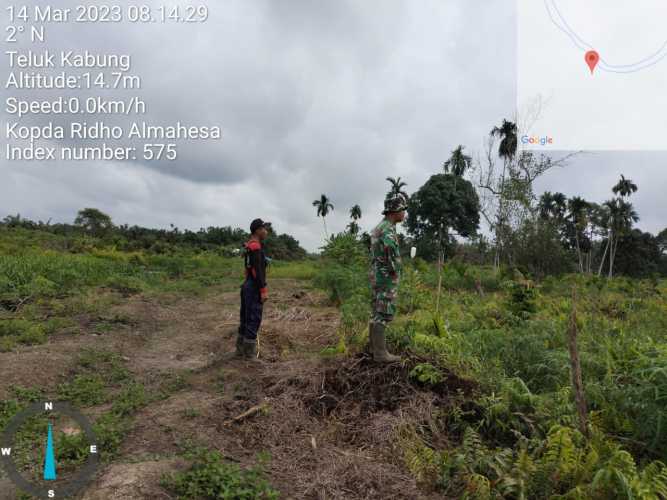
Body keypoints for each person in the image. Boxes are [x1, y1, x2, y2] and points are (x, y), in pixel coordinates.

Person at [368, 195, 407, 362]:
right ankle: (381, 354)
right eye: (403, 210)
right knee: (383, 313)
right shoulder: (388, 230)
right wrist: (395, 271)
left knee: (376, 311)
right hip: (385, 277)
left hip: (377, 275)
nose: (404, 214)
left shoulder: (379, 227)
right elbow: (390, 254)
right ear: (395, 211)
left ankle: (374, 349)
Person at [233, 218, 269, 359]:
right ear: (258, 230)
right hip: (253, 286)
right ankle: (248, 355)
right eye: (264, 229)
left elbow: (248, 268)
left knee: (245, 318)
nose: (266, 232)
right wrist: (263, 290)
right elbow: (257, 271)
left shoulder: (250, 245)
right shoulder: (255, 247)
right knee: (253, 318)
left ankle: (239, 350)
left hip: (247, 285)